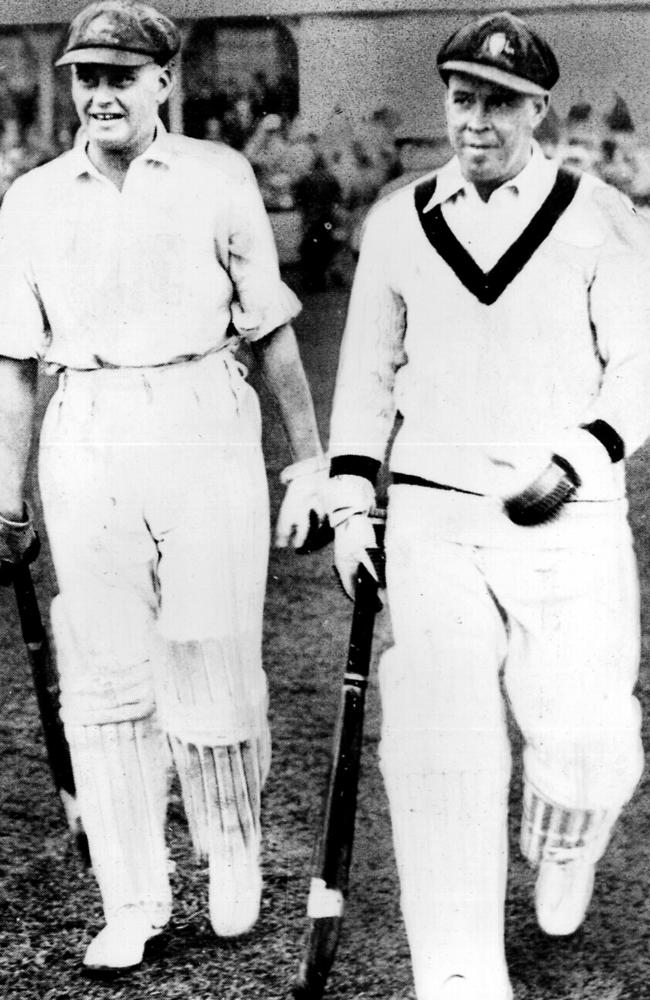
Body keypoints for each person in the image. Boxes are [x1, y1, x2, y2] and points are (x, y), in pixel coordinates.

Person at [0, 0, 327, 977]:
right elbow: (16, 362)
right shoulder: (32, 199)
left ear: (162, 82)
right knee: (105, 679)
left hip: (202, 417)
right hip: (89, 429)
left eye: (119, 76)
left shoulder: (217, 178)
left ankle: (231, 857)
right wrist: (6, 496)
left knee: (210, 655)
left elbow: (269, 328)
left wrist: (306, 460)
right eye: (84, 77)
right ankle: (133, 893)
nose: (100, 94)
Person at [328, 12, 650, 1000]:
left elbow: (639, 363)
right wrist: (349, 496)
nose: (475, 120)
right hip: (432, 515)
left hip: (565, 512)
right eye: (462, 98)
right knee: (436, 740)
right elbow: (367, 372)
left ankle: (564, 835)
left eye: (499, 103)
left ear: (537, 112)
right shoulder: (396, 218)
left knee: (584, 741)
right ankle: (460, 965)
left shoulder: (598, 214)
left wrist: (582, 453)